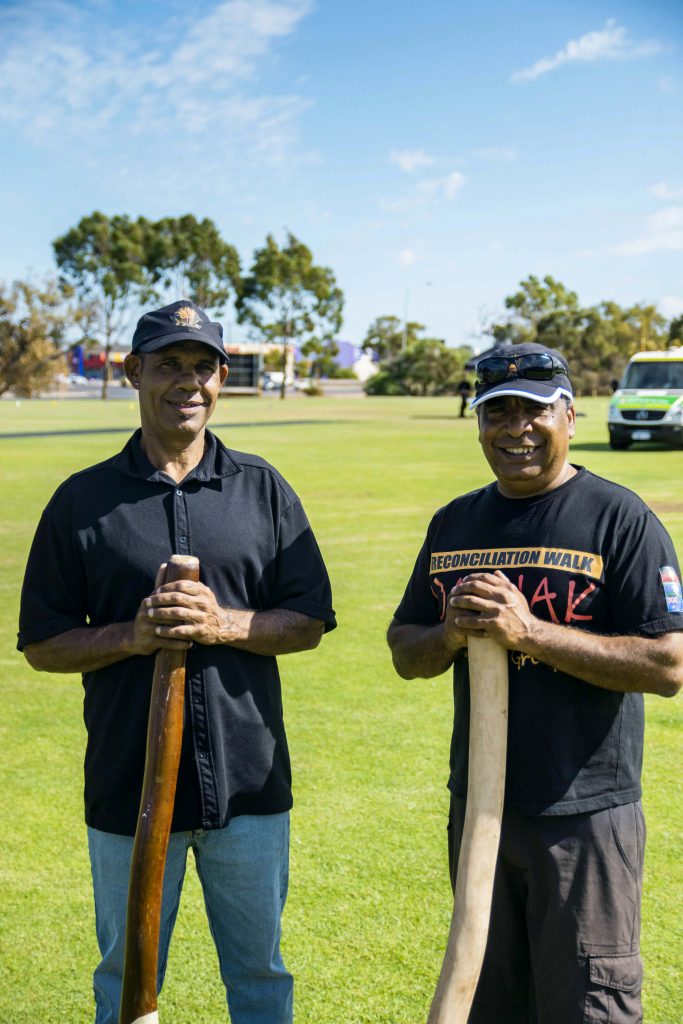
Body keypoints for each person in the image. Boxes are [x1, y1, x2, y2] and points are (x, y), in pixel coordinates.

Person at [18, 300, 336, 1024]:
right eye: (168, 365)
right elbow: (42, 642)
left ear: (222, 378)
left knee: (260, 979)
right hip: (127, 790)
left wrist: (225, 624)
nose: (187, 382)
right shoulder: (82, 502)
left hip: (250, 794)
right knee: (126, 981)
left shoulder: (264, 489)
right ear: (134, 372)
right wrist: (128, 637)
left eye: (203, 367)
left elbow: (310, 620)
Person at [387, 342, 683, 1023]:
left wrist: (532, 635)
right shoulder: (454, 523)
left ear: (569, 417)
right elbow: (405, 649)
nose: (513, 428)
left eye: (532, 411)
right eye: (496, 413)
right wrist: (449, 637)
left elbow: (668, 665)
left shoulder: (618, 519)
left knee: (588, 1005)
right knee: (488, 998)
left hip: (583, 816)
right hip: (480, 814)